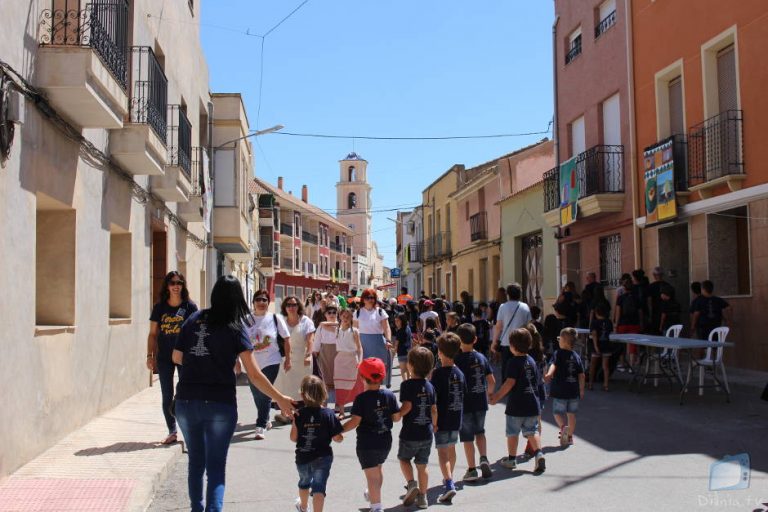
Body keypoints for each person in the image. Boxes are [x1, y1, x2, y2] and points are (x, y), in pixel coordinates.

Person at [172, 276, 294, 512]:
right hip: (220, 403)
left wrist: (200, 361)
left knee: (196, 462)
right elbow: (255, 375)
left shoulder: (194, 319)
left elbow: (176, 357)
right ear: (238, 298)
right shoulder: (235, 327)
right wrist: (280, 398)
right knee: (216, 466)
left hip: (187, 400)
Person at [342, 358, 401, 512]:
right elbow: (396, 418)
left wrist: (339, 429)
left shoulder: (361, 399)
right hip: (385, 441)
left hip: (367, 444)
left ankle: (376, 507)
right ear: (382, 376)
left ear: (362, 377)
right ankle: (373, 495)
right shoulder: (389, 395)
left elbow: (355, 421)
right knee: (377, 470)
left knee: (372, 476)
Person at [147, 271, 198, 445]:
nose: (176, 286)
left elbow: (197, 332)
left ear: (183, 286)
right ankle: (172, 431)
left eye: (179, 283)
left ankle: (189, 429)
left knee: (186, 393)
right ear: (167, 286)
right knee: (167, 395)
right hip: (164, 358)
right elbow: (153, 334)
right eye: (172, 283)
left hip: (185, 356)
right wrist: (150, 356)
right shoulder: (159, 307)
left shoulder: (190, 307)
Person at [490, 328, 545, 473]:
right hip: (532, 403)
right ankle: (539, 454)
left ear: (513, 346)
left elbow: (509, 383)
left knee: (512, 433)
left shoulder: (513, 362)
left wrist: (496, 397)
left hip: (516, 405)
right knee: (532, 431)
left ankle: (512, 459)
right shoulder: (531, 361)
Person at [290, 375, 344, 512]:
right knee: (319, 487)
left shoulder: (298, 414)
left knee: (304, 483)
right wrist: (339, 437)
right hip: (323, 457)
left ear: (302, 395)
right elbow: (337, 437)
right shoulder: (328, 414)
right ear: (324, 393)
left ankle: (303, 507)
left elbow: (293, 437)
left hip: (303, 457)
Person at [246, 289, 292, 440]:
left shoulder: (275, 318)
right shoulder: (246, 319)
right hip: (251, 363)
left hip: (271, 361)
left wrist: (288, 359)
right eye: (258, 299)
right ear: (253, 302)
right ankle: (265, 419)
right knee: (256, 393)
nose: (261, 302)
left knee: (265, 392)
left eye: (264, 300)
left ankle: (260, 425)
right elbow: (238, 342)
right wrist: (237, 363)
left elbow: (286, 339)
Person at [455, 324, 495, 482]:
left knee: (467, 438)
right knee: (480, 432)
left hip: (464, 405)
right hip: (480, 402)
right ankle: (484, 458)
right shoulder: (481, 358)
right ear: (475, 339)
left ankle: (472, 469)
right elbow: (491, 381)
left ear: (459, 341)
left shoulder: (457, 360)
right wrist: (488, 395)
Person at [397, 347, 437, 509]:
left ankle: (411, 483)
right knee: (423, 465)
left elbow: (407, 406)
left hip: (409, 432)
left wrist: (398, 414)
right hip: (426, 433)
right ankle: (423, 498)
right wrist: (434, 424)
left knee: (404, 459)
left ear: (411, 366)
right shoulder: (430, 387)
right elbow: (434, 409)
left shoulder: (406, 385)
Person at [430, 332, 466, 503]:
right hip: (456, 418)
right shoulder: (460, 373)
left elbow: (434, 402)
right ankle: (449, 476)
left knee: (442, 453)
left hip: (442, 420)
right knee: (451, 449)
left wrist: (434, 423)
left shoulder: (437, 375)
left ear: (440, 352)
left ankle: (449, 483)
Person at [275, 296, 317, 421]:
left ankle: (305, 413)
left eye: (294, 305)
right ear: (284, 307)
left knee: (303, 387)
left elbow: (310, 340)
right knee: (284, 386)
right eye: (288, 305)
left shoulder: (306, 321)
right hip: (286, 358)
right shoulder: (281, 321)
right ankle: (285, 414)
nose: (291, 307)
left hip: (303, 358)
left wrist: (309, 354)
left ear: (299, 306)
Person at [544, 328, 585, 447]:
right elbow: (581, 375)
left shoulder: (558, 353)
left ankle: (563, 427)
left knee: (557, 412)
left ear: (565, 341)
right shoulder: (576, 356)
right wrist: (581, 389)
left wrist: (549, 374)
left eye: (559, 339)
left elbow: (553, 365)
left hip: (560, 389)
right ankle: (570, 437)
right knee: (571, 414)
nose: (558, 341)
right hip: (573, 391)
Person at [491, 283, 532, 381]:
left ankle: (507, 388)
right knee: (521, 367)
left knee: (507, 368)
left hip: (507, 342)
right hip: (522, 342)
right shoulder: (525, 306)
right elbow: (529, 326)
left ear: (508, 295)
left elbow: (498, 327)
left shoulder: (503, 307)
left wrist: (494, 342)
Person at [354, 288, 394, 388]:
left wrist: (388, 340)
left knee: (377, 369)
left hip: (378, 344)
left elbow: (387, 328)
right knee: (364, 369)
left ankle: (376, 393)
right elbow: (354, 331)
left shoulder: (380, 312)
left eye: (372, 297)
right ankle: (365, 394)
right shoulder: (358, 313)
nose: (370, 299)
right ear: (363, 299)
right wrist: (354, 345)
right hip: (362, 344)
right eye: (367, 297)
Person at [333, 308, 364, 418]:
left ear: (351, 318)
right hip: (340, 360)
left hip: (352, 359)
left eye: (348, 317)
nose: (345, 319)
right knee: (340, 385)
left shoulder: (354, 331)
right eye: (343, 316)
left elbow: (360, 348)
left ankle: (358, 409)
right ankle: (341, 411)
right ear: (340, 317)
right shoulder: (336, 329)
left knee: (355, 385)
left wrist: (360, 361)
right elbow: (322, 324)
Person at [615, 276, 642, 370]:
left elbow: (618, 312)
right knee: (633, 344)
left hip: (622, 323)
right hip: (634, 323)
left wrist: (616, 323)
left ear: (624, 287)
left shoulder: (621, 298)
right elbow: (640, 312)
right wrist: (640, 323)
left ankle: (622, 364)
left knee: (621, 344)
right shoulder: (637, 298)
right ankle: (631, 365)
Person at [313, 305, 339, 401]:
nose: (332, 314)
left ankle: (337, 403)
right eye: (329, 312)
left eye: (334, 312)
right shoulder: (321, 327)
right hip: (324, 353)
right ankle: (324, 401)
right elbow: (317, 339)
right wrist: (315, 351)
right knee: (324, 376)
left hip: (338, 353)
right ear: (325, 315)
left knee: (337, 377)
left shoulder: (341, 325)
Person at [588, 303, 614, 391]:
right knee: (605, 366)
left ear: (596, 313)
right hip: (606, 344)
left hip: (597, 345)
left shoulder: (594, 322)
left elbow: (594, 334)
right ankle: (606, 384)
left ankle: (591, 383)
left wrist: (595, 346)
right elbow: (610, 332)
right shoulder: (609, 322)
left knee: (593, 365)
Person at [393, 313, 412, 381]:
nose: (396, 322)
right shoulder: (408, 328)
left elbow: (396, 343)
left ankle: (405, 381)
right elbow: (410, 339)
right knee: (408, 369)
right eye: (395, 321)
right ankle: (408, 380)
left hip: (401, 351)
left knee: (402, 369)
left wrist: (394, 351)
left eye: (397, 321)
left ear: (402, 321)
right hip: (409, 350)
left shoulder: (400, 331)